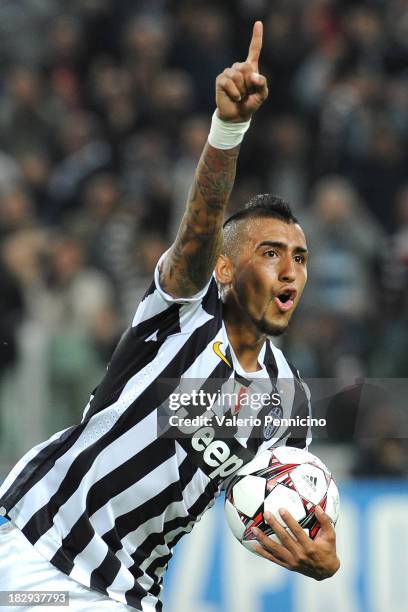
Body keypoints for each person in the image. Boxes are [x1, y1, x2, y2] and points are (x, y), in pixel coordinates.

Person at [0, 22, 339, 611]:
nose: (290, 271)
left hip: (126, 591)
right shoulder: (183, 310)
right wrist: (229, 127)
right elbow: (198, 231)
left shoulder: (293, 403)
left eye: (300, 259)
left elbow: (266, 500)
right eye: (271, 253)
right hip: (34, 542)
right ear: (226, 271)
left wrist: (318, 552)